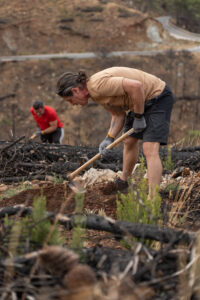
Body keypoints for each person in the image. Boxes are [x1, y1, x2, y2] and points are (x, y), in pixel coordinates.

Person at [56, 67, 174, 197]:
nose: (72, 104)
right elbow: (118, 115)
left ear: (75, 90)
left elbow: (136, 86)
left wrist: (139, 117)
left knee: (149, 148)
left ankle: (153, 199)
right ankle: (123, 182)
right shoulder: (95, 95)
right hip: (139, 101)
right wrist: (109, 138)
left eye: (70, 100)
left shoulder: (97, 86)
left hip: (158, 96)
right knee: (128, 141)